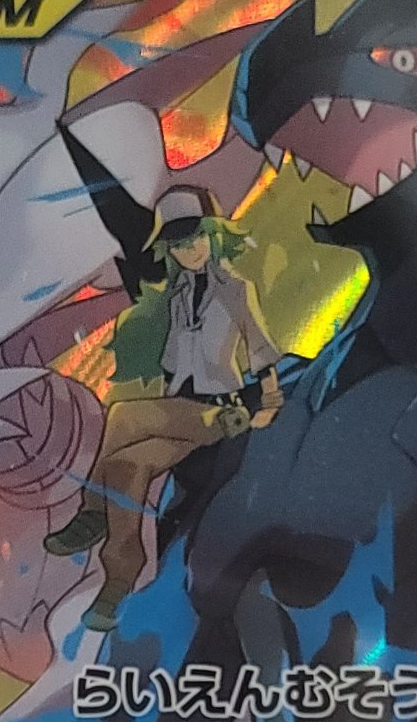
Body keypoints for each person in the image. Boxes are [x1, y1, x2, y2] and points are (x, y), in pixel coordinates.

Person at [44, 185, 282, 631]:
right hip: (181, 412)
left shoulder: (236, 290)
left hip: (219, 414)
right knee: (129, 464)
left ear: (212, 234)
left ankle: (94, 515)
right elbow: (175, 366)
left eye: (195, 238)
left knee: (123, 416)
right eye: (179, 244)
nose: (190, 250)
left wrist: (268, 404)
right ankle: (120, 573)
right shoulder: (177, 297)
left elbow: (261, 350)